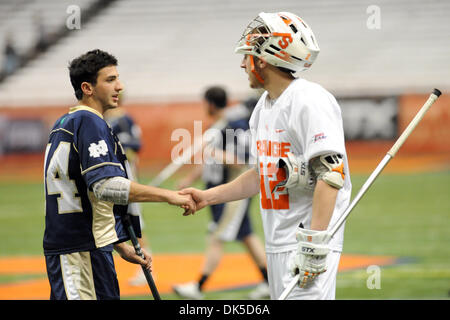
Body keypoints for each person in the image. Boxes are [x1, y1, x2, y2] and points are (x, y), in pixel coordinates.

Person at [181, 12, 352, 300]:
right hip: (278, 241)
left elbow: (332, 173)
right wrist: (207, 197)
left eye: (247, 56)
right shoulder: (264, 107)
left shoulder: (309, 99)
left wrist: (315, 243)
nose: (242, 63)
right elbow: (262, 173)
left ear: (262, 59)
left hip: (306, 244)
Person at [43, 49, 195, 300]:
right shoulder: (90, 122)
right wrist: (169, 196)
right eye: (110, 79)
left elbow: (84, 191)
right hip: (82, 251)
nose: (120, 86)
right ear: (87, 88)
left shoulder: (65, 122)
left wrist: (118, 244)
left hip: (86, 248)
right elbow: (104, 186)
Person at [172, 86, 270, 300]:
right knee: (247, 236)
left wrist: (214, 152)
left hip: (231, 194)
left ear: (209, 103)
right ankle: (269, 282)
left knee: (216, 235)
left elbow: (240, 161)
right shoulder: (218, 126)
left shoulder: (232, 126)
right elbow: (209, 161)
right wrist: (190, 179)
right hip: (219, 190)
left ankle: (199, 286)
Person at [104, 93, 153, 286]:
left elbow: (134, 144)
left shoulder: (122, 118)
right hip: (114, 175)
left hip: (123, 174)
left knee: (133, 221)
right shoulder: (108, 118)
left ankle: (147, 267)